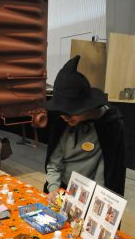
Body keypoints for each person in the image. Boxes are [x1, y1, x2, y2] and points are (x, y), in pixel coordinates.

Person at [44, 55, 126, 206]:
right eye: (61, 112)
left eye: (69, 112)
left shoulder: (109, 126)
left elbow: (106, 175)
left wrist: (94, 204)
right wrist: (53, 189)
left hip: (93, 196)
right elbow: (54, 164)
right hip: (63, 191)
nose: (64, 117)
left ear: (85, 106)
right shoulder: (61, 123)